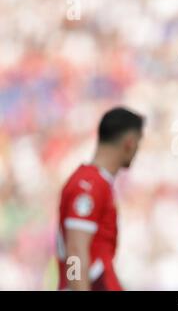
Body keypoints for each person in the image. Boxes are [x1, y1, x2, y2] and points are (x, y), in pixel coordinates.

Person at [56, 107, 144, 290]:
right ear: (129, 142)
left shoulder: (97, 183)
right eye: (138, 142)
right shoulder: (89, 184)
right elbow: (75, 251)